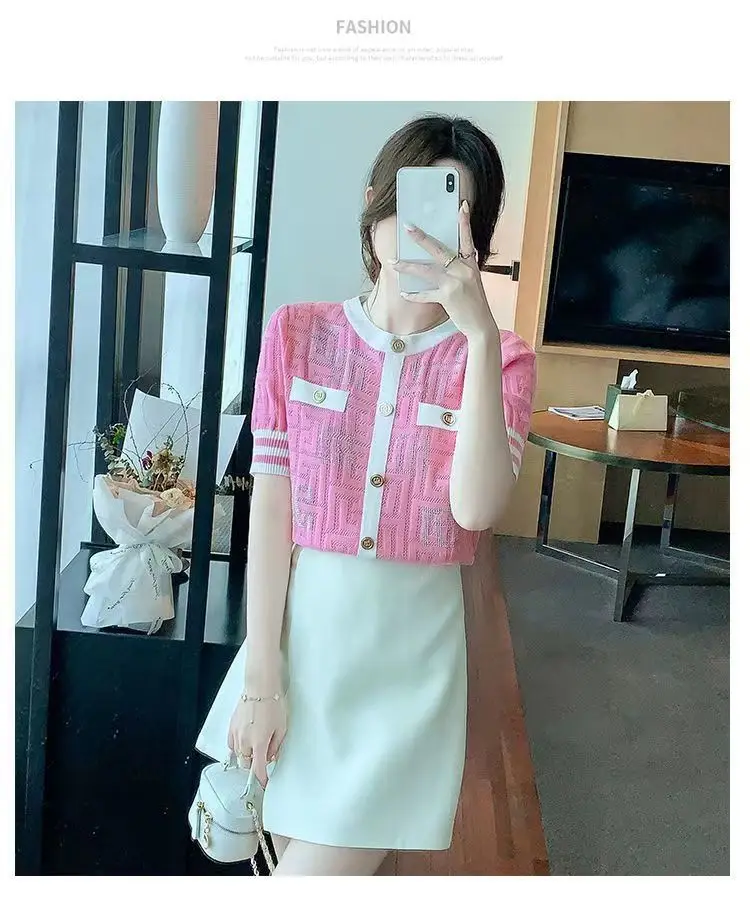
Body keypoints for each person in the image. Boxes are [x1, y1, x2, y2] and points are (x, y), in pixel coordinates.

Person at [211, 114, 537, 876]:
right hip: (302, 658)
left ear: (477, 234)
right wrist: (261, 681)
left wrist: (479, 337)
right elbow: (271, 515)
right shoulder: (297, 335)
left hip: (408, 676)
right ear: (374, 201)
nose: (425, 230)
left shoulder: (502, 360)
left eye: (454, 211)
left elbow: (476, 510)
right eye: (415, 202)